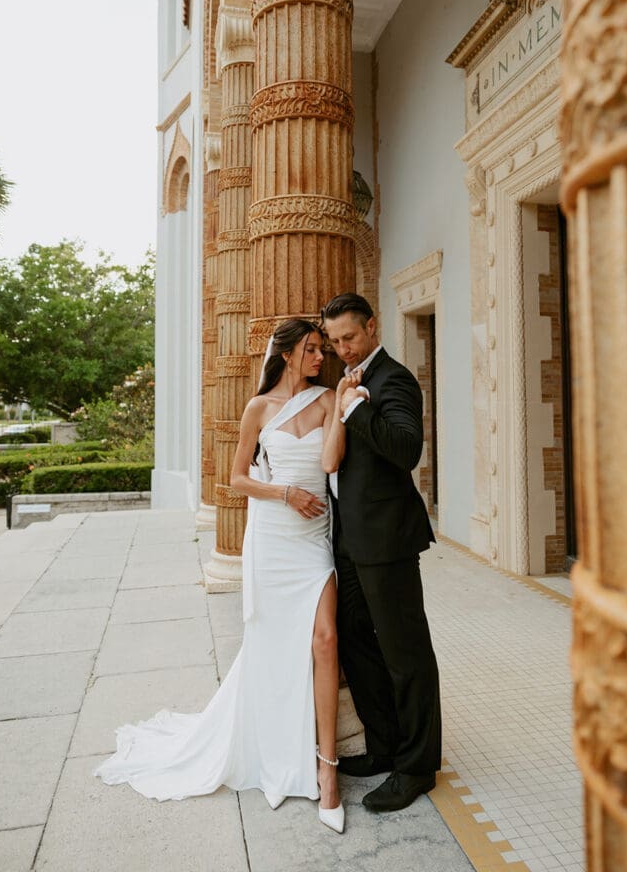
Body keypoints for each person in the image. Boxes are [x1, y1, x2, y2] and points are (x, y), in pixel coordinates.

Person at [94, 319, 347, 833]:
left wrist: (341, 402)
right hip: (274, 536)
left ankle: (328, 770)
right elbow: (235, 478)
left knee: (325, 640)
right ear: (288, 353)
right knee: (272, 645)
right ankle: (276, 744)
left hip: (313, 540)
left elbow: (329, 459)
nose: (321, 357)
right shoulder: (258, 408)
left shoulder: (324, 400)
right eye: (313, 349)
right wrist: (284, 493)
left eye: (323, 349)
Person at [321, 292, 442, 813]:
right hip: (348, 541)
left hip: (388, 542)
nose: (342, 349)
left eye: (349, 338)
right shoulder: (345, 378)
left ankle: (416, 768)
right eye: (333, 342)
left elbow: (406, 450)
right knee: (356, 646)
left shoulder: (394, 380)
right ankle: (384, 746)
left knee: (405, 655)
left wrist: (355, 410)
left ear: (372, 327)